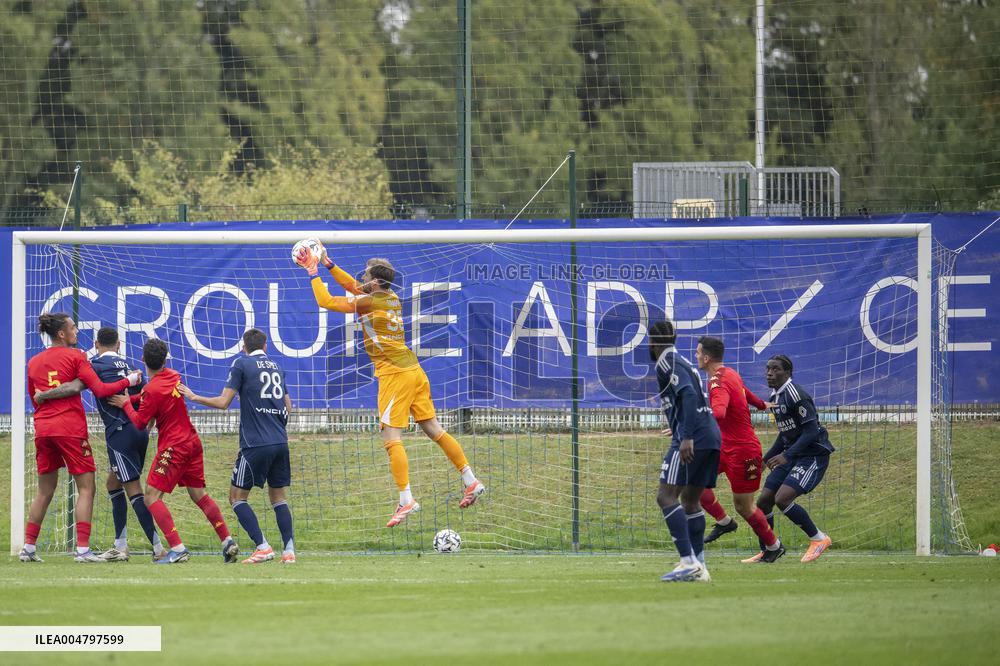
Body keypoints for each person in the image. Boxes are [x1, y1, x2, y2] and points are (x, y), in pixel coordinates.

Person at [295, 240, 484, 527]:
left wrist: (313, 271)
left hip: (395, 374)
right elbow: (352, 288)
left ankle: (406, 500)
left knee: (391, 439)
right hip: (414, 370)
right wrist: (329, 263)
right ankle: (470, 480)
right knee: (434, 429)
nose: (361, 278)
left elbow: (326, 301)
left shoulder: (371, 301)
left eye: (366, 275)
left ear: (375, 282)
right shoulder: (390, 297)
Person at [33, 327, 165, 562]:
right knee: (112, 483)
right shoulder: (132, 367)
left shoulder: (94, 366)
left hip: (119, 434)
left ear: (96, 344)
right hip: (140, 431)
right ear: (119, 344)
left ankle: (159, 548)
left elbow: (73, 387)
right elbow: (147, 397)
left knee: (133, 489)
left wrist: (45, 394)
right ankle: (120, 545)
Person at [108, 338, 239, 564]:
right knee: (199, 495)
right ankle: (227, 540)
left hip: (174, 446)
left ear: (142, 359)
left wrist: (126, 404)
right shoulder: (173, 376)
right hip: (192, 443)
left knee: (150, 496)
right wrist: (135, 398)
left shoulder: (152, 389)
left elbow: (140, 422)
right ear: (166, 359)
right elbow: (153, 395)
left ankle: (177, 548)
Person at [179, 329, 296, 564]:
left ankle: (263, 547)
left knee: (236, 497)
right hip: (280, 441)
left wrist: (194, 397)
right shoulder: (277, 367)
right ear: (265, 347)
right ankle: (289, 551)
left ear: (244, 347)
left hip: (255, 444)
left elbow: (223, 402)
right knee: (278, 498)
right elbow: (288, 408)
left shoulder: (241, 364)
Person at [693, 336, 784, 563]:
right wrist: (763, 405)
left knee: (744, 506)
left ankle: (774, 546)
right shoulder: (729, 374)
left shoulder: (717, 381)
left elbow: (720, 412)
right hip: (724, 447)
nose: (696, 356)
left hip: (743, 452)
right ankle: (725, 523)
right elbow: (745, 393)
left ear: (706, 357)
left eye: (697, 352)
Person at [649, 320, 721, 582]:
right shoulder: (682, 362)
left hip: (695, 437)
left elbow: (689, 394)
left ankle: (687, 561)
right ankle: (700, 567)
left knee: (666, 496)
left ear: (651, 341)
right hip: (711, 435)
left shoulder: (667, 360)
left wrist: (686, 435)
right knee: (690, 500)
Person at [751, 354, 835, 563]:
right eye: (768, 369)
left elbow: (811, 432)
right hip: (792, 455)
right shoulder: (775, 397)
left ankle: (819, 539)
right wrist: (765, 459)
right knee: (763, 501)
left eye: (776, 369)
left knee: (782, 499)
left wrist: (786, 455)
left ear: (788, 372)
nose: (770, 373)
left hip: (812, 456)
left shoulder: (797, 395)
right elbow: (785, 433)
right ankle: (770, 549)